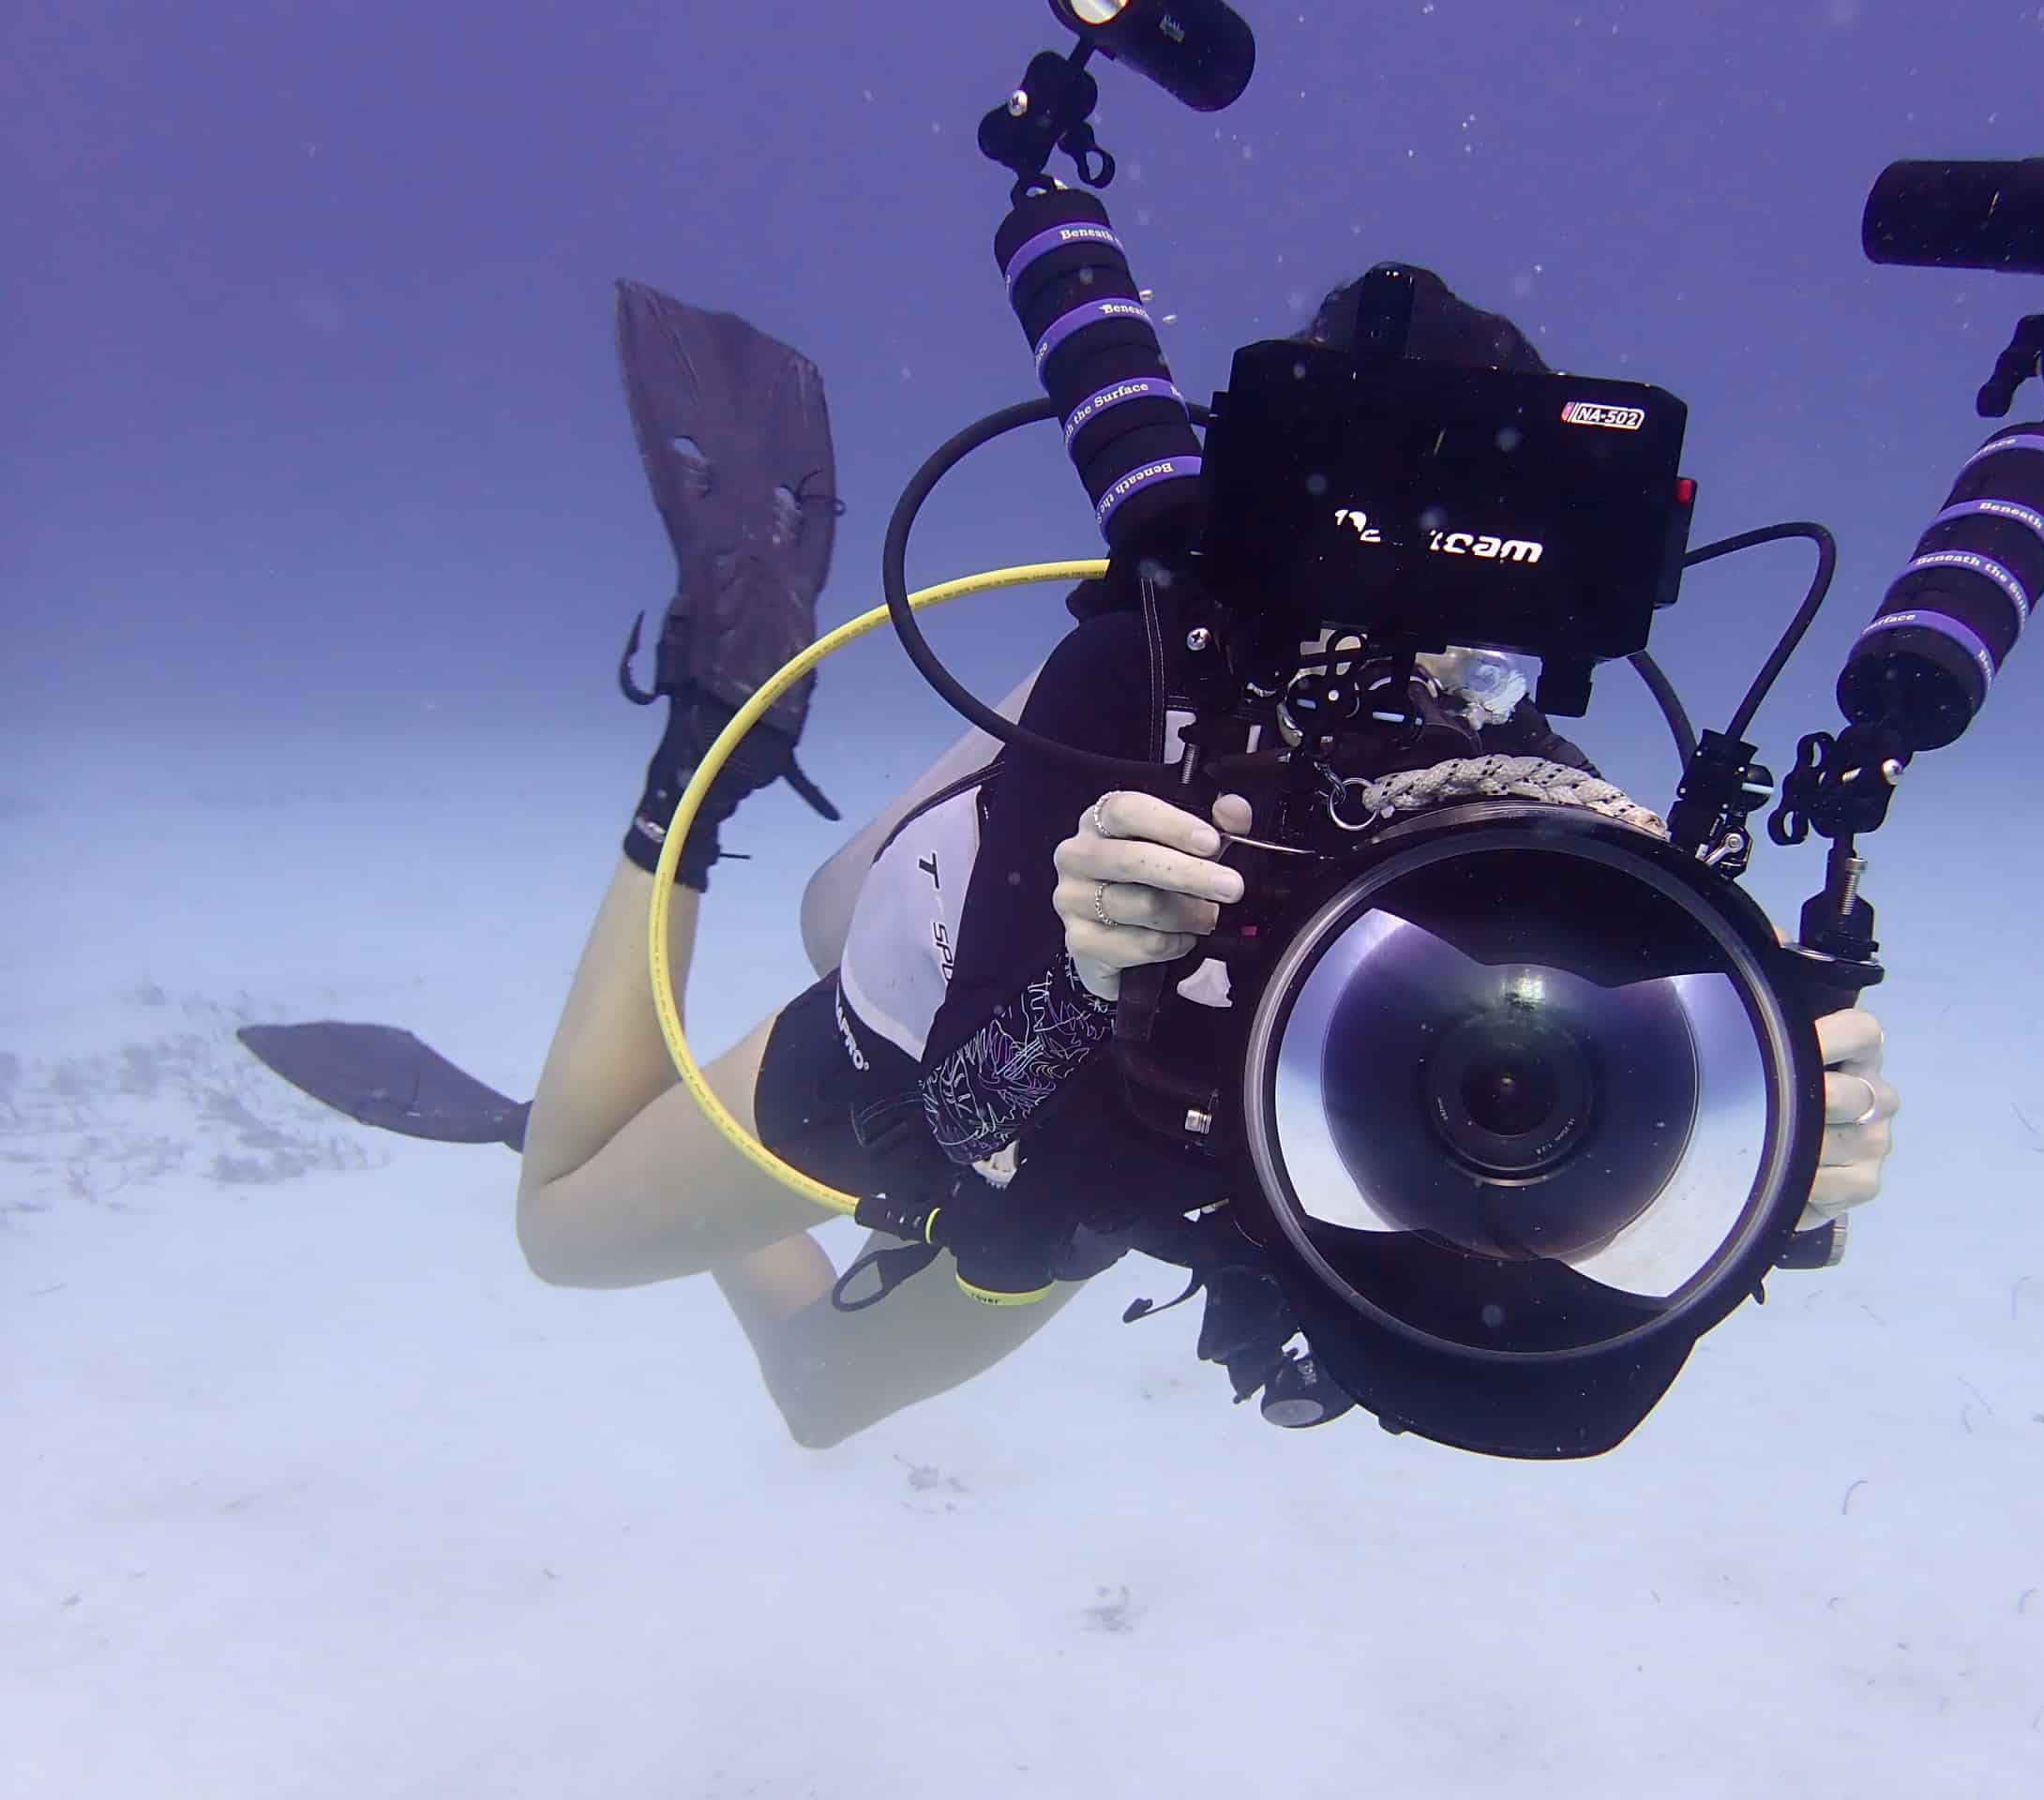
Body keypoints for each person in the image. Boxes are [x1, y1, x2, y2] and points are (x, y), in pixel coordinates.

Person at [512, 266, 1901, 1449]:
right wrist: (1076, 967)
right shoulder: (1141, 674)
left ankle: (826, 939)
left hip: (1071, 1152)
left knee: (819, 1399)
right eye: (1386, 548)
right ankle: (710, 739)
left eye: (1483, 598)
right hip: (928, 1017)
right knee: (567, 1229)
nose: (1433, 665)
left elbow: (1536, 1166)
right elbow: (960, 1115)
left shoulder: (1537, 811)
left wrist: (1765, 1148)